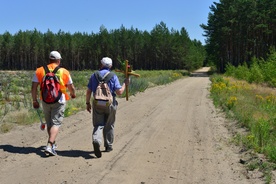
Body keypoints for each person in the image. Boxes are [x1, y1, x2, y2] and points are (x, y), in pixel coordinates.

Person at [31, 51, 76, 156]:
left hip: (45, 100)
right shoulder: (64, 71)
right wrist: (73, 94)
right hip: (59, 100)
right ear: (58, 60)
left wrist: (34, 100)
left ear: (49, 59)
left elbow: (34, 87)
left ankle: (53, 144)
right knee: (56, 123)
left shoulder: (40, 70)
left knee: (50, 123)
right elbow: (71, 87)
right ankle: (50, 145)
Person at [86, 57, 129, 158]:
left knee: (98, 125)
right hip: (110, 103)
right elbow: (119, 92)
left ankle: (96, 140)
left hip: (97, 103)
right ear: (110, 66)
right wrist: (124, 84)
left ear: (101, 64)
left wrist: (88, 103)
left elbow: (88, 91)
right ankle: (108, 145)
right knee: (109, 124)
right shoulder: (113, 76)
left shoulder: (94, 75)